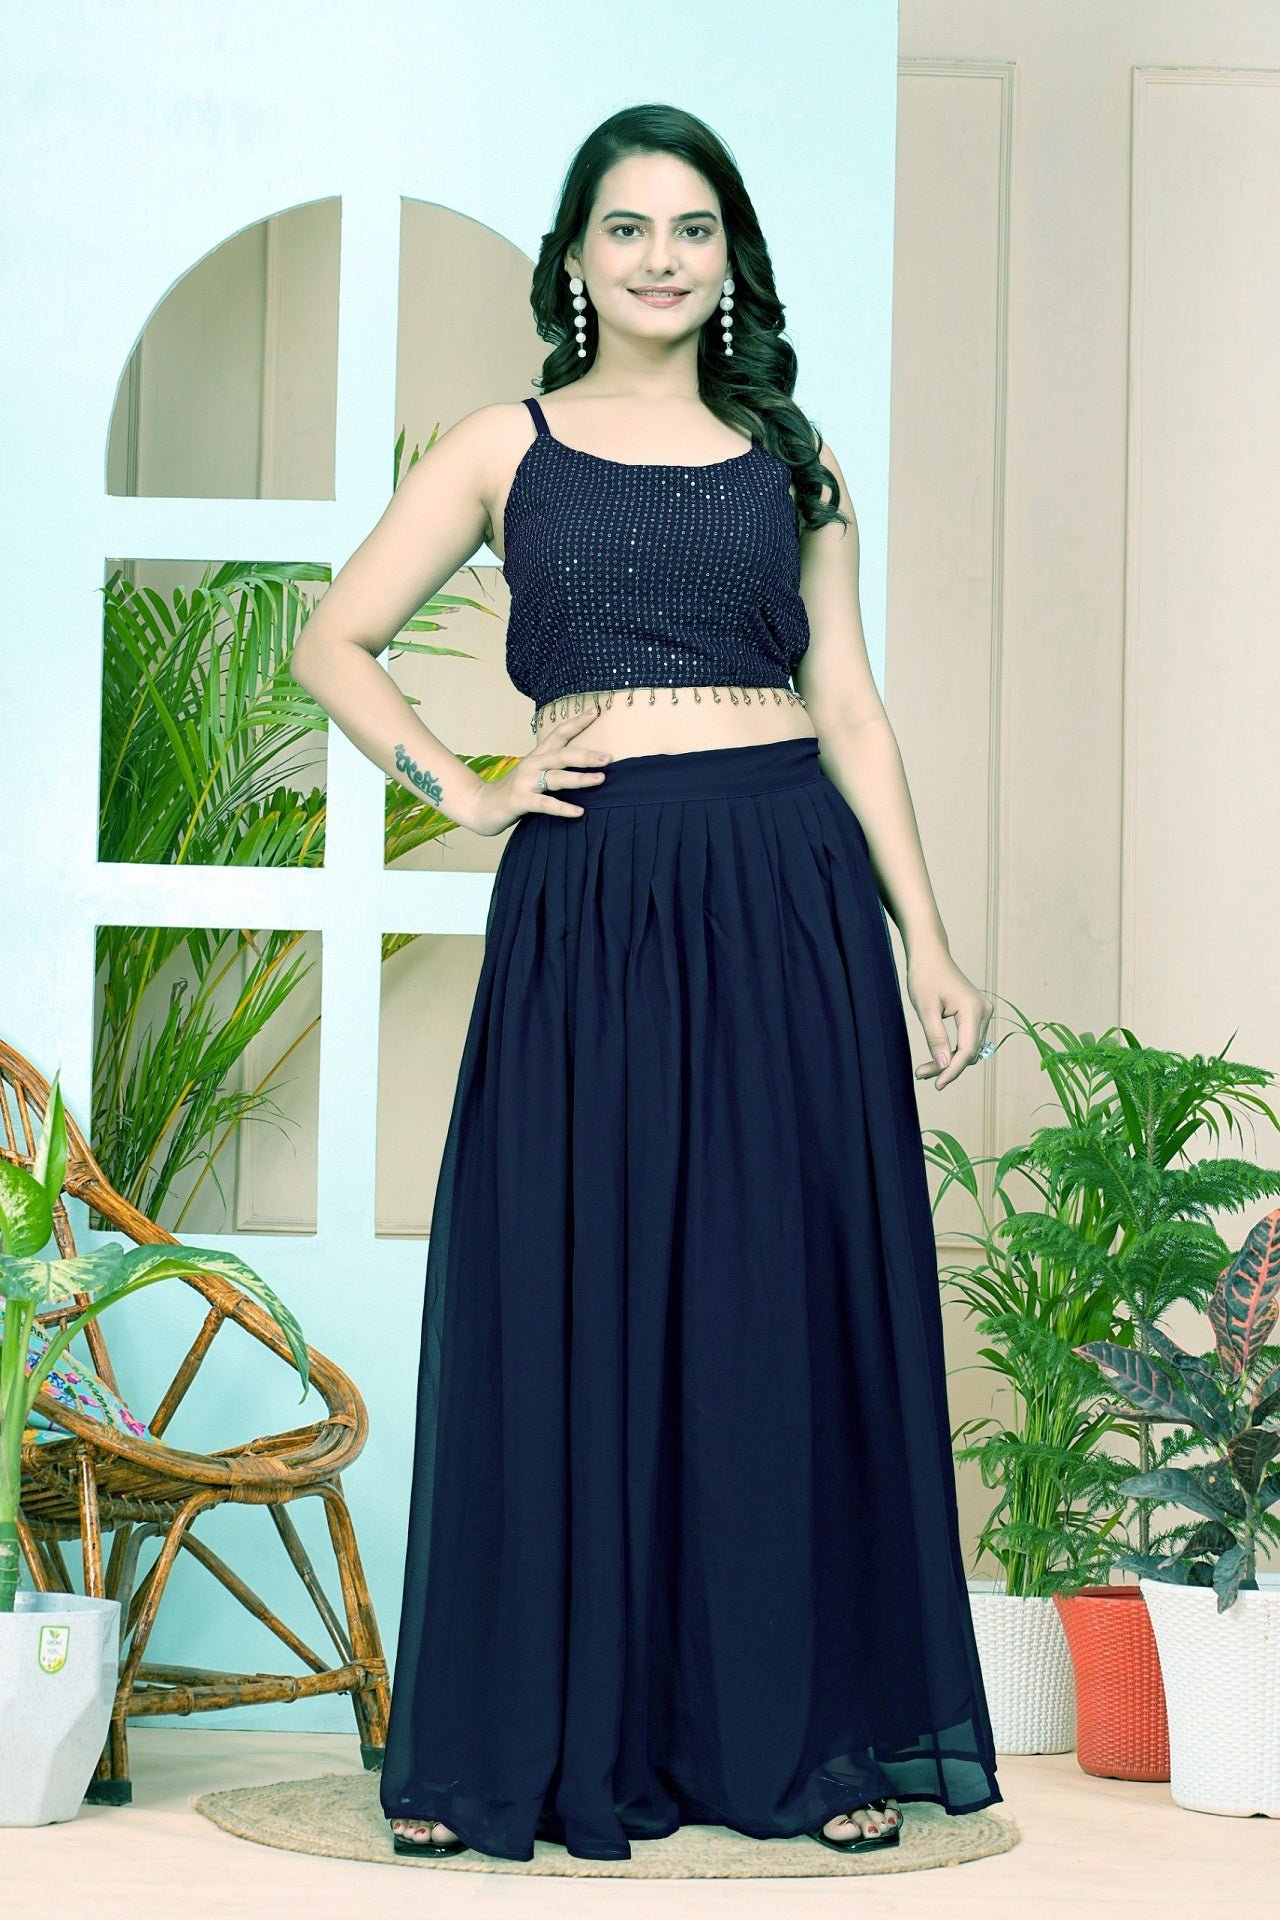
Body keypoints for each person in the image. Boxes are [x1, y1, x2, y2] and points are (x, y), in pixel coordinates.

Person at [291, 102, 1002, 1866]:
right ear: (575, 258)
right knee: (568, 1289)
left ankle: (799, 1743)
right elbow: (334, 638)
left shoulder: (793, 459)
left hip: (785, 887)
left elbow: (851, 705)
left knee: (773, 1301)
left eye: (693, 227)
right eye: (627, 227)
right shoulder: (506, 445)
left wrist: (927, 934)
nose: (661, 257)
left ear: (731, 258)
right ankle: (521, 1744)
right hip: (594, 893)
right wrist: (466, 787)